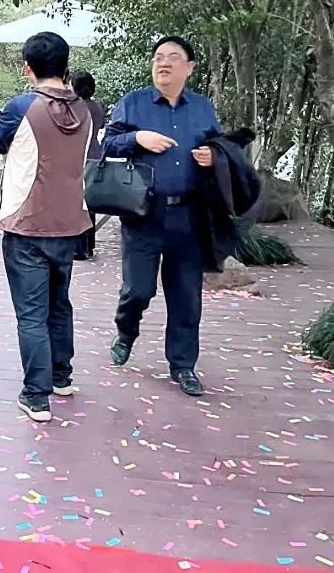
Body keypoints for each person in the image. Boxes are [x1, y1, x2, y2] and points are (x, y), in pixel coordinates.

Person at [102, 35, 222, 398]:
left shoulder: (202, 108)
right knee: (137, 290)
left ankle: (183, 365)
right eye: (158, 57)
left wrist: (214, 156)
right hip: (143, 214)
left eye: (172, 57)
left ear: (189, 67)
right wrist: (137, 138)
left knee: (186, 297)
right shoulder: (133, 104)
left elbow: (221, 147)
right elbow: (107, 143)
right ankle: (126, 330)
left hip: (188, 215)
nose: (163, 63)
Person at [0, 32, 92, 423]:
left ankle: (36, 395)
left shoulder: (23, 106)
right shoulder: (85, 109)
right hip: (69, 223)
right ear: (65, 65)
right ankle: (61, 377)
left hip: (27, 225)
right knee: (59, 304)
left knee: (31, 313)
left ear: (27, 67)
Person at [69, 70, 106, 260]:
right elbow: (101, 126)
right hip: (95, 153)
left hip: (78, 154)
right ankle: (89, 245)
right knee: (88, 201)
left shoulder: (74, 107)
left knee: (76, 201)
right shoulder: (98, 106)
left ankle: (78, 247)